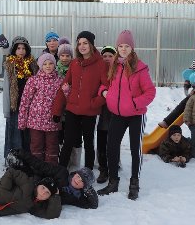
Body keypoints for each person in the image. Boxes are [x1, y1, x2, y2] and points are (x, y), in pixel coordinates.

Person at [97, 31, 156, 200]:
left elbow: (150, 92)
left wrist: (134, 104)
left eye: (127, 46)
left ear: (132, 48)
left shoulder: (140, 68)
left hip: (136, 114)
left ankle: (134, 183)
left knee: (134, 149)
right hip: (117, 114)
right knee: (111, 147)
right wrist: (105, 93)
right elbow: (105, 84)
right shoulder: (114, 66)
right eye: (121, 46)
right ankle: (113, 182)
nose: (123, 49)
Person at [52, 31, 108, 171]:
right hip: (72, 109)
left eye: (85, 43)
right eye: (79, 43)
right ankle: (61, 171)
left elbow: (107, 87)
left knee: (89, 143)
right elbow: (64, 86)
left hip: (89, 112)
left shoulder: (100, 64)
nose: (82, 46)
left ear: (91, 44)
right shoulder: (75, 63)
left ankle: (87, 172)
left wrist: (94, 103)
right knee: (68, 141)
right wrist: (57, 110)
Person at [7, 149, 98, 209]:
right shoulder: (62, 173)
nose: (77, 180)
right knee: (30, 175)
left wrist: (89, 190)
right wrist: (23, 154)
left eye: (82, 181)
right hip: (37, 180)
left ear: (84, 186)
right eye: (78, 176)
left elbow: (93, 205)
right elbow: (42, 166)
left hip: (42, 197)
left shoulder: (76, 196)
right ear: (74, 174)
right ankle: (16, 166)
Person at [18, 53, 63, 164]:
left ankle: (51, 171)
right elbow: (25, 101)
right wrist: (22, 120)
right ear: (40, 66)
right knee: (36, 147)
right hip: (35, 122)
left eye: (51, 63)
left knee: (52, 148)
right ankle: (37, 170)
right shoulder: (33, 80)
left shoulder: (60, 81)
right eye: (45, 64)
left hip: (52, 122)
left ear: (55, 64)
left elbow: (64, 99)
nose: (48, 66)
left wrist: (66, 91)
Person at [3, 36, 39, 157]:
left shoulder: (33, 65)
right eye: (18, 48)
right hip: (15, 105)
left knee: (28, 134)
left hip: (30, 106)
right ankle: (13, 157)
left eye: (23, 48)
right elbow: (6, 89)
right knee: (15, 132)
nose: (21, 51)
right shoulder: (10, 65)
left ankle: (28, 157)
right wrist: (6, 109)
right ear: (14, 50)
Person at [96, 45, 116, 183]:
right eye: (105, 56)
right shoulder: (98, 70)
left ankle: (113, 166)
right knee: (102, 140)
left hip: (116, 111)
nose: (107, 58)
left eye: (110, 56)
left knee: (113, 141)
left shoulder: (120, 70)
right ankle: (103, 169)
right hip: (102, 111)